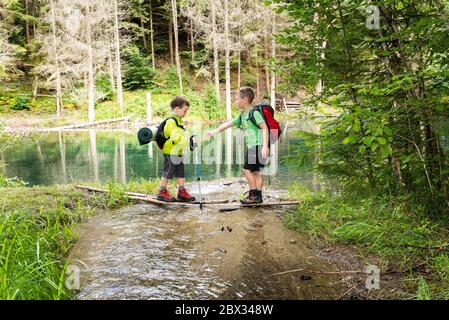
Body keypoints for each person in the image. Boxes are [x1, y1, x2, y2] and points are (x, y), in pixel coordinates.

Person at [205, 87, 269, 204]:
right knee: (255, 172)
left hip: (257, 146)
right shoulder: (242, 115)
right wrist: (213, 132)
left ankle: (254, 196)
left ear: (245, 100)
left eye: (237, 99)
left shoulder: (253, 112)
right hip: (254, 147)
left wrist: (265, 146)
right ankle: (258, 196)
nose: (235, 102)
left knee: (246, 170)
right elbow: (227, 125)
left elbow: (264, 128)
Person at [156, 96, 196, 203]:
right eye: (184, 111)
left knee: (180, 172)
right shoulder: (171, 121)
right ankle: (161, 192)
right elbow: (175, 137)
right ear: (177, 109)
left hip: (178, 152)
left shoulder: (178, 121)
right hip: (170, 151)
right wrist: (188, 140)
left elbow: (181, 136)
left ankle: (182, 192)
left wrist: (189, 139)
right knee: (168, 172)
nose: (185, 113)